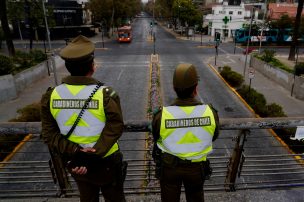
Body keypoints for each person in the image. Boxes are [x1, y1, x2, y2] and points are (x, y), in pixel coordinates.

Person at [40, 35, 126, 202]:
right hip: (106, 160)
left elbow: (49, 134)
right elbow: (116, 126)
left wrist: (77, 153)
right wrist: (95, 153)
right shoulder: (105, 95)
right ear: (92, 67)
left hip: (76, 162)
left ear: (67, 67)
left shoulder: (51, 96)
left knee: (87, 197)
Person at [152, 63, 219, 202]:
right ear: (196, 89)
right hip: (196, 168)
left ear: (174, 88)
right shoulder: (210, 113)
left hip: (170, 167)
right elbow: (214, 135)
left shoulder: (162, 115)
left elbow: (157, 137)